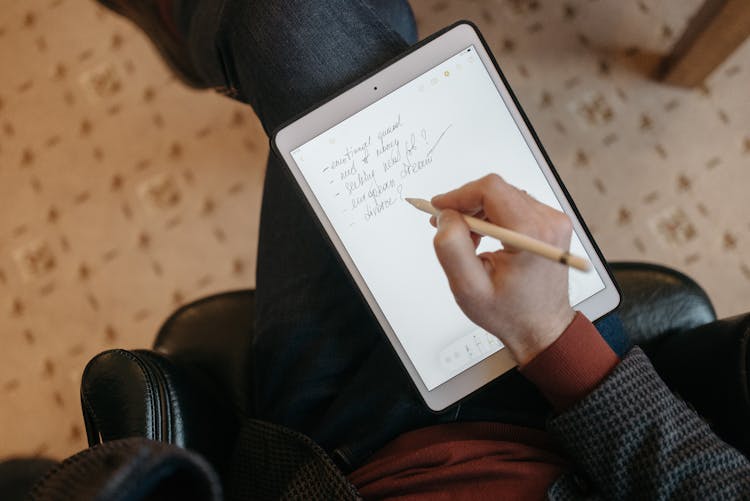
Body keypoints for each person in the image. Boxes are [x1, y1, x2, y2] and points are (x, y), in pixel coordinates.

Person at [50, 0, 750, 498]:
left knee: (295, 23)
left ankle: (188, 23)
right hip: (552, 402)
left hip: (332, 449)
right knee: (297, 18)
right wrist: (547, 331)